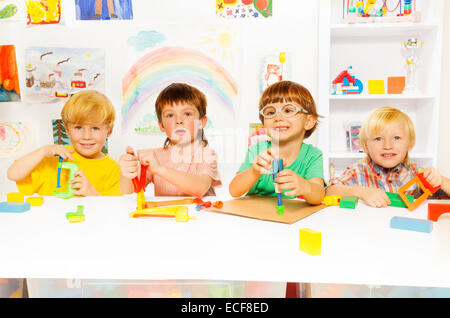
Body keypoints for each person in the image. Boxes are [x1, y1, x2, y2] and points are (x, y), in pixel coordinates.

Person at [326, 106, 450, 207]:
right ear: (365, 146)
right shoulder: (358, 172)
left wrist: (442, 181)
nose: (387, 146)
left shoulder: (417, 173)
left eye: (396, 138)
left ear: (410, 143)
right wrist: (361, 192)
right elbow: (329, 192)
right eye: (378, 139)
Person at [7, 90, 121, 196]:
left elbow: (110, 212)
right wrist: (42, 151)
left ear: (109, 131)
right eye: (78, 127)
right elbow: (12, 174)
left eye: (95, 128)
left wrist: (92, 193)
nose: (86, 136)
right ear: (67, 129)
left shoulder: (113, 169)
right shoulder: (54, 158)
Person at [229, 80, 325, 205]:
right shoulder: (257, 150)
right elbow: (234, 191)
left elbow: (318, 196)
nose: (278, 118)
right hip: (255, 217)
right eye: (270, 112)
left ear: (308, 122)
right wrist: (254, 172)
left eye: (288, 110)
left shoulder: (312, 155)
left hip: (292, 219)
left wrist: (306, 186)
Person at [119, 83, 222, 197]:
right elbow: (129, 189)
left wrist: (159, 169)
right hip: (168, 215)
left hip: (198, 214)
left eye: (187, 114)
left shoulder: (207, 155)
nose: (179, 120)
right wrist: (127, 172)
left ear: (201, 122)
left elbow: (200, 188)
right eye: (170, 115)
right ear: (162, 125)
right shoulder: (155, 156)